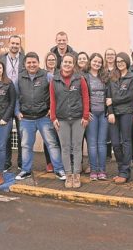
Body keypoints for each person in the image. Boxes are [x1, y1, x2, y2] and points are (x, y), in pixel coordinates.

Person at [14, 52, 66, 181]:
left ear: (38, 63)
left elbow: (56, 94)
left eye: (34, 62)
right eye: (29, 62)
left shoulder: (47, 76)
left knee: (52, 144)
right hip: (26, 118)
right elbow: (15, 97)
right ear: (25, 64)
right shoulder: (19, 78)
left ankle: (59, 169)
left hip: (44, 117)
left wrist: (51, 109)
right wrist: (17, 111)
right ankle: (25, 170)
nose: (31, 65)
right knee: (26, 146)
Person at [50, 54, 90, 188]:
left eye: (70, 62)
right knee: (65, 148)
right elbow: (52, 100)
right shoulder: (55, 80)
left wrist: (85, 116)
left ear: (74, 65)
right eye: (65, 62)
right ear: (61, 63)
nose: (67, 64)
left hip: (78, 118)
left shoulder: (80, 79)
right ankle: (68, 175)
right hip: (62, 119)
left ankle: (76, 175)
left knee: (77, 147)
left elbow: (85, 97)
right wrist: (53, 118)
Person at [107, 52, 133, 184]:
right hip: (114, 113)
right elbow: (108, 96)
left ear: (126, 61)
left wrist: (113, 101)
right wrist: (110, 112)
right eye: (117, 61)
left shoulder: (132, 77)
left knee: (126, 142)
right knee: (115, 143)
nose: (120, 63)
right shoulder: (112, 76)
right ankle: (121, 170)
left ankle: (125, 172)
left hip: (126, 112)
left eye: (122, 61)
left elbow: (129, 96)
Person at [84, 53, 109, 180]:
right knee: (92, 143)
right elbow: (82, 96)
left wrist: (109, 110)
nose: (97, 64)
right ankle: (93, 170)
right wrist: (86, 112)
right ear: (90, 62)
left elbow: (109, 94)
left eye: (99, 62)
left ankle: (102, 170)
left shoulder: (105, 76)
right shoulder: (84, 76)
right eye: (95, 61)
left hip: (103, 114)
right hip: (91, 114)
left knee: (102, 143)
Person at [2, 35, 24, 172]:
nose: (15, 45)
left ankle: (21, 162)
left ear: (20, 45)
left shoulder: (25, 59)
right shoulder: (1, 60)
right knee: (6, 133)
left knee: (22, 134)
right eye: (13, 43)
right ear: (8, 44)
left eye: (17, 43)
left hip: (21, 100)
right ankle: (6, 162)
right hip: (5, 100)